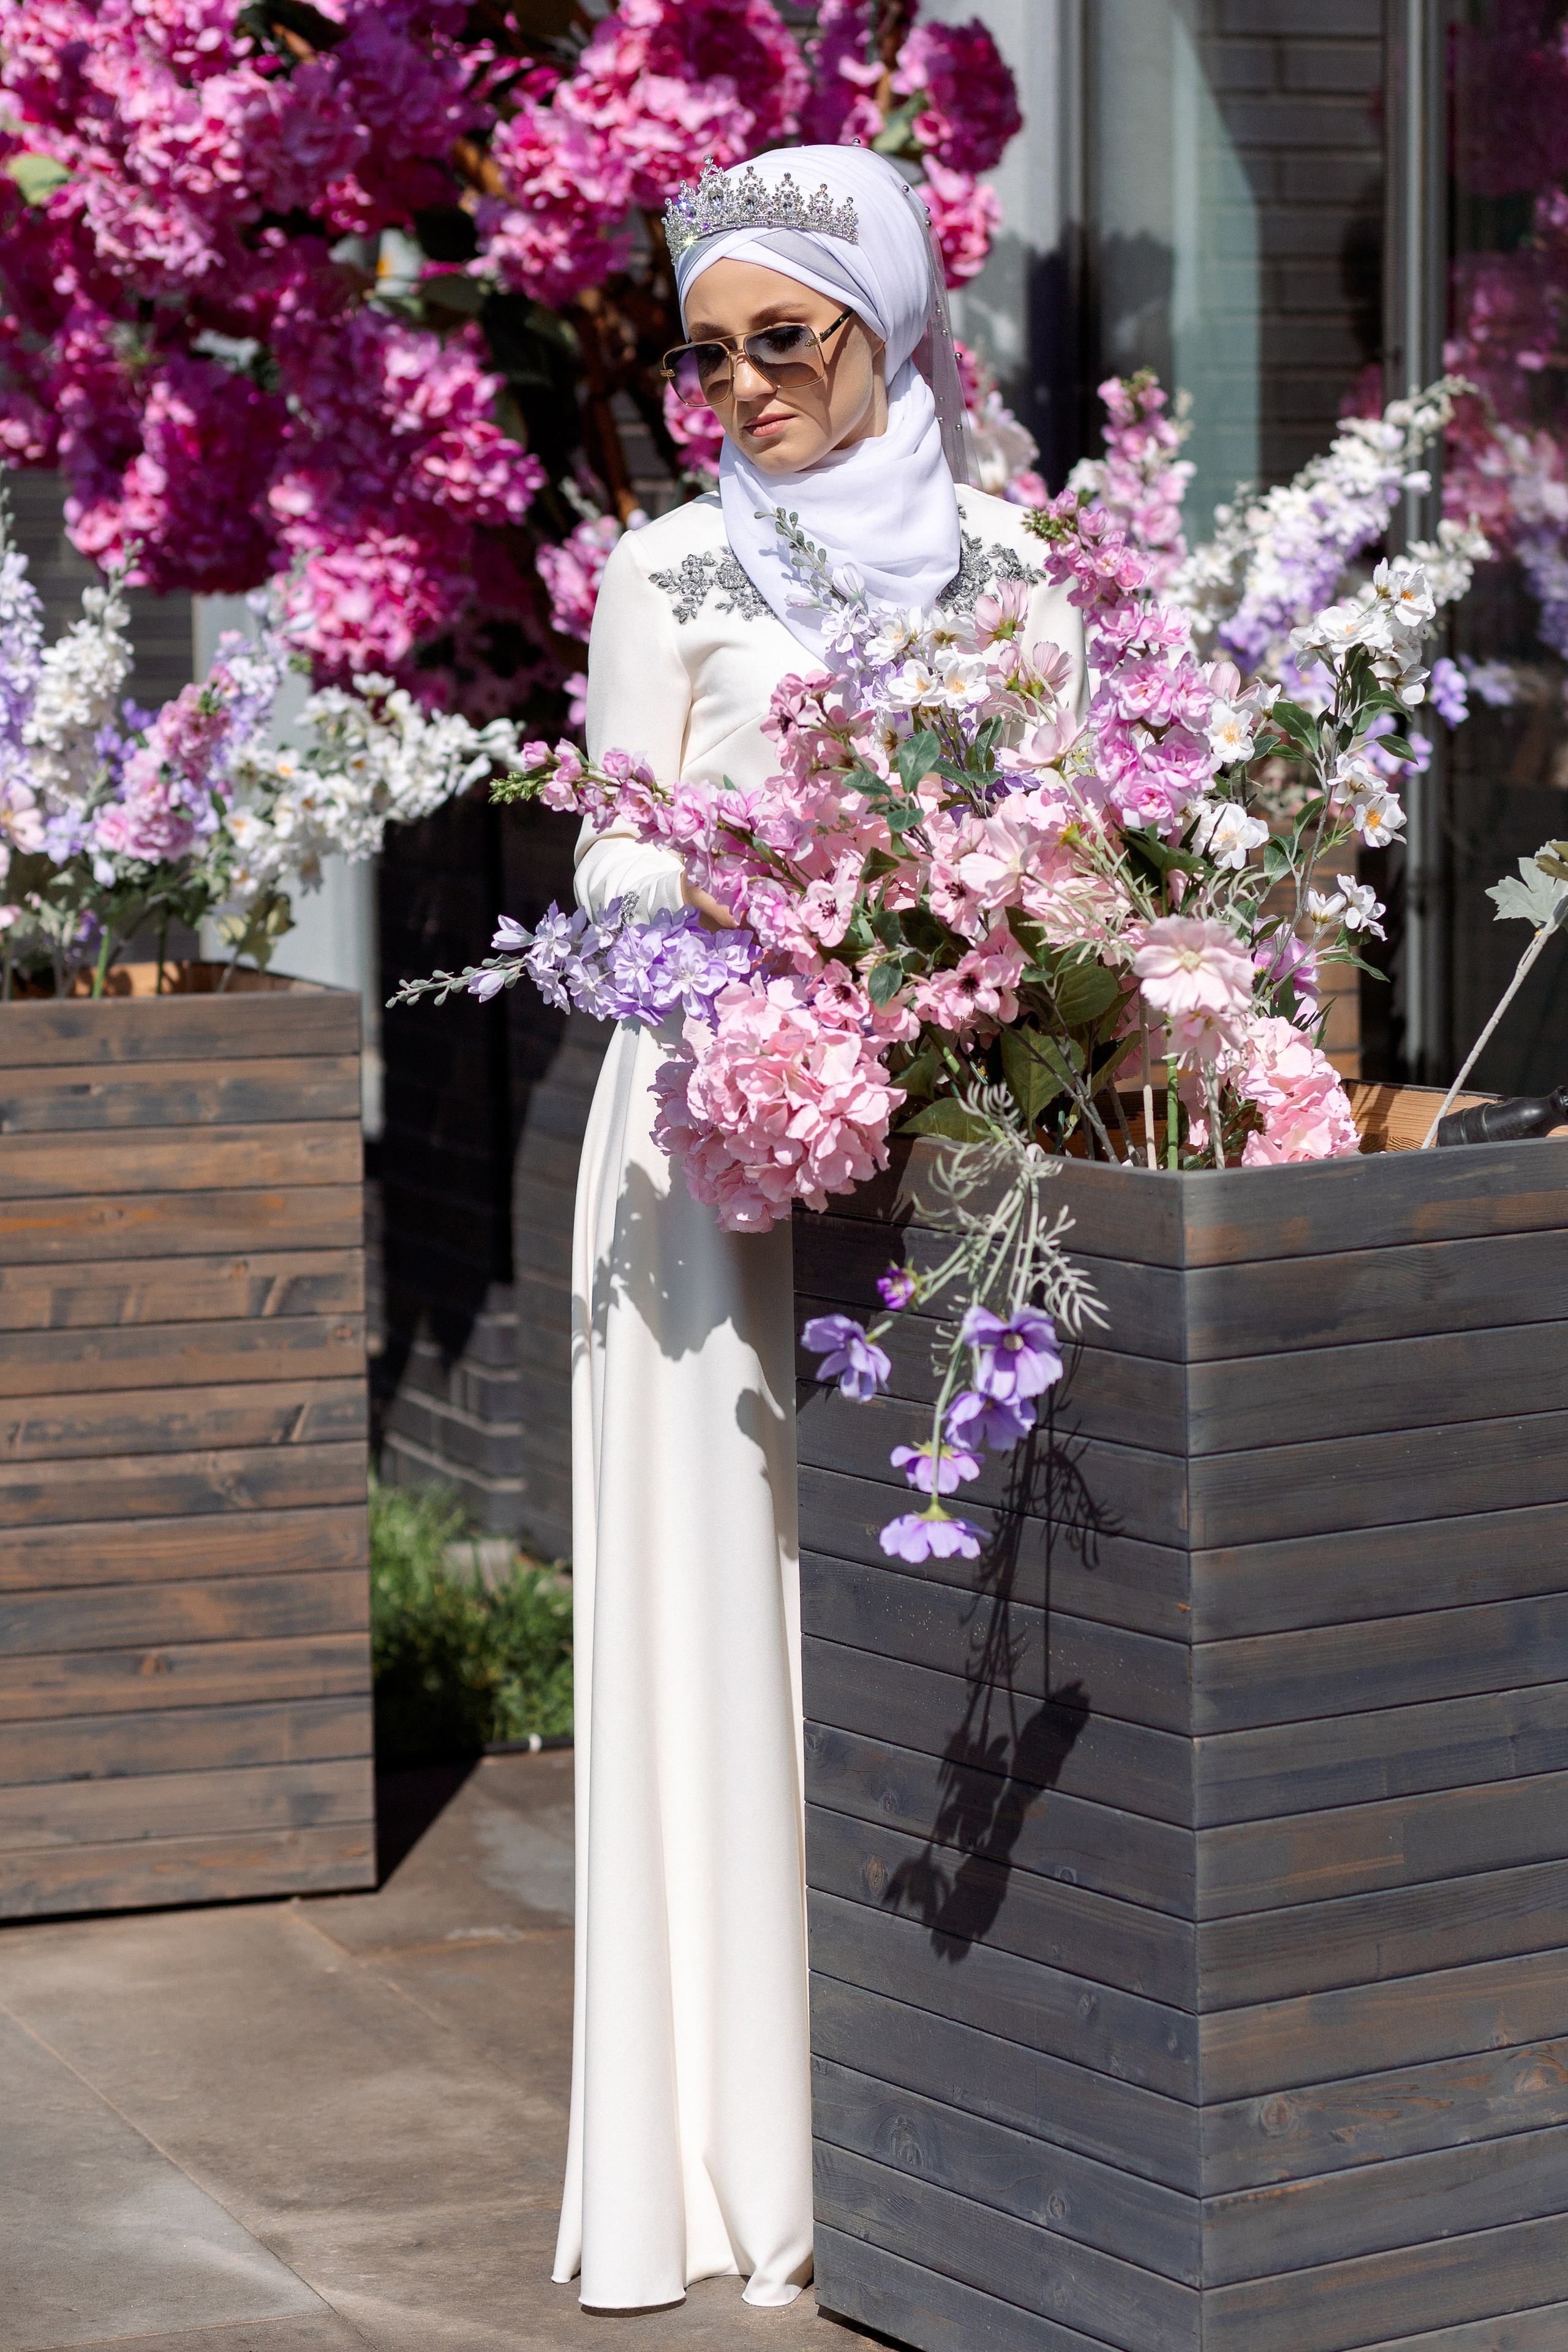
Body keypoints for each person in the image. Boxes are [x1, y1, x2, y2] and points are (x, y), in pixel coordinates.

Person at [553, 143, 1087, 2315]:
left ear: (891, 323)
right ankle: (721, 2165)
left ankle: (930, 2131)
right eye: (709, 355)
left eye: (788, 339)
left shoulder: (1017, 574)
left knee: (917, 1604)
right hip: (702, 1156)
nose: (745, 388)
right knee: (715, 1606)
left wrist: (963, 940)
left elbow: (1071, 847)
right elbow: (599, 880)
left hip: (940, 1148)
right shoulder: (666, 575)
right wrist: (759, 905)